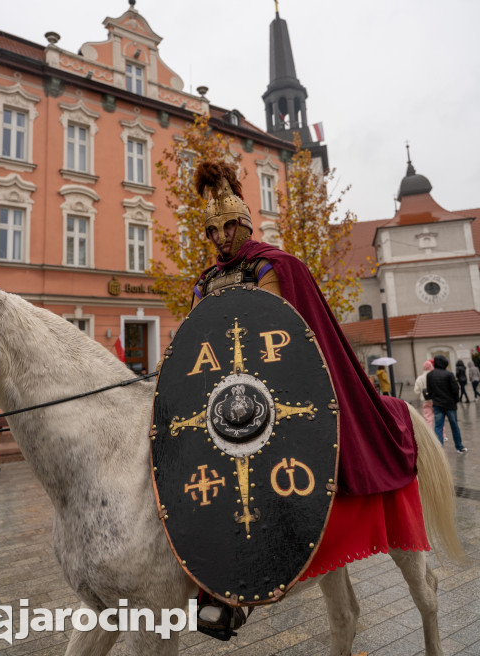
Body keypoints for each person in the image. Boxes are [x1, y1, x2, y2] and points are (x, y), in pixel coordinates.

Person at [192, 161, 428, 633]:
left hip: (277, 389)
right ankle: (211, 576)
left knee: (260, 458)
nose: (219, 237)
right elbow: (197, 343)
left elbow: (278, 331)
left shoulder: (272, 266)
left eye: (226, 227)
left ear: (244, 223)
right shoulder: (203, 282)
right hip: (223, 393)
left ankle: (267, 563)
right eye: (211, 231)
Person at [426, 355, 467, 453]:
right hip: (450, 405)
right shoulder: (449, 374)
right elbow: (455, 389)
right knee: (454, 425)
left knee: (438, 426)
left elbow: (429, 391)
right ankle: (459, 447)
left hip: (437, 404)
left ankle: (439, 448)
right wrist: (456, 400)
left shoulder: (430, 375)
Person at [413, 360, 434, 429]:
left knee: (428, 418)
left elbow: (416, 391)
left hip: (426, 400)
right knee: (438, 418)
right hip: (435, 400)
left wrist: (421, 394)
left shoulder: (420, 378)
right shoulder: (434, 376)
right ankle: (443, 435)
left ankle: (430, 434)